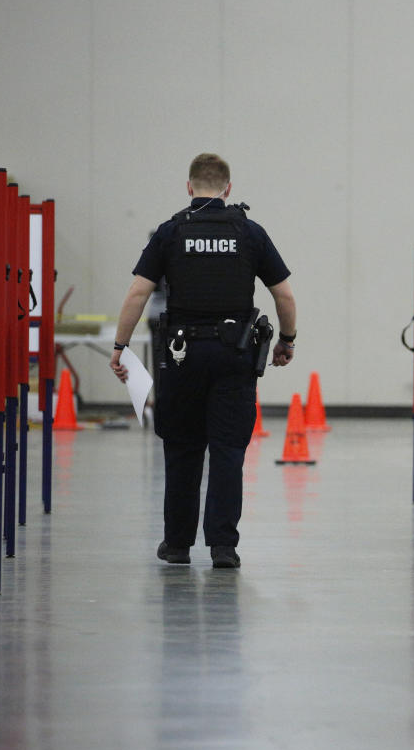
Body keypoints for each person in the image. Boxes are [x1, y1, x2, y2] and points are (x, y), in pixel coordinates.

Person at [110, 153, 297, 568]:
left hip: (180, 357)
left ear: (190, 187)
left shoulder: (172, 232)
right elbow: (283, 294)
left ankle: (177, 545)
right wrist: (287, 340)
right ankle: (223, 547)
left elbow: (138, 293)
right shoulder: (249, 233)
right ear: (228, 188)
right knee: (228, 451)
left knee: (182, 449)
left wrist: (120, 346)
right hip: (234, 354)